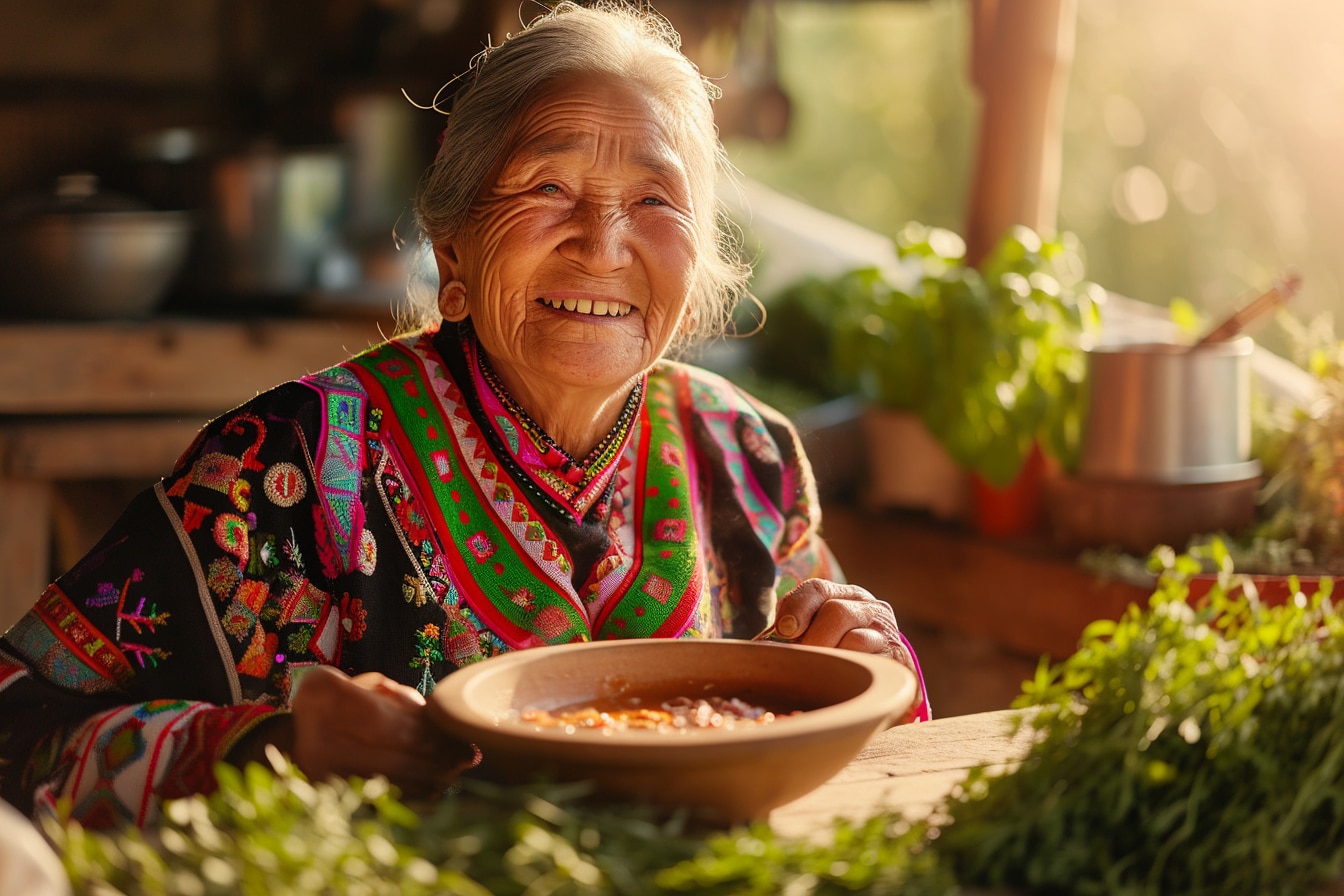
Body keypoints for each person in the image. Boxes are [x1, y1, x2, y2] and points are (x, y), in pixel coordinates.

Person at [0, 1, 928, 831]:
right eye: (547, 189)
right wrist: (274, 746)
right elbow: (16, 724)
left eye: (654, 199)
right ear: (454, 248)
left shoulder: (747, 455)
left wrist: (865, 657)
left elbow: (858, 730)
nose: (602, 243)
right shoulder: (284, 467)